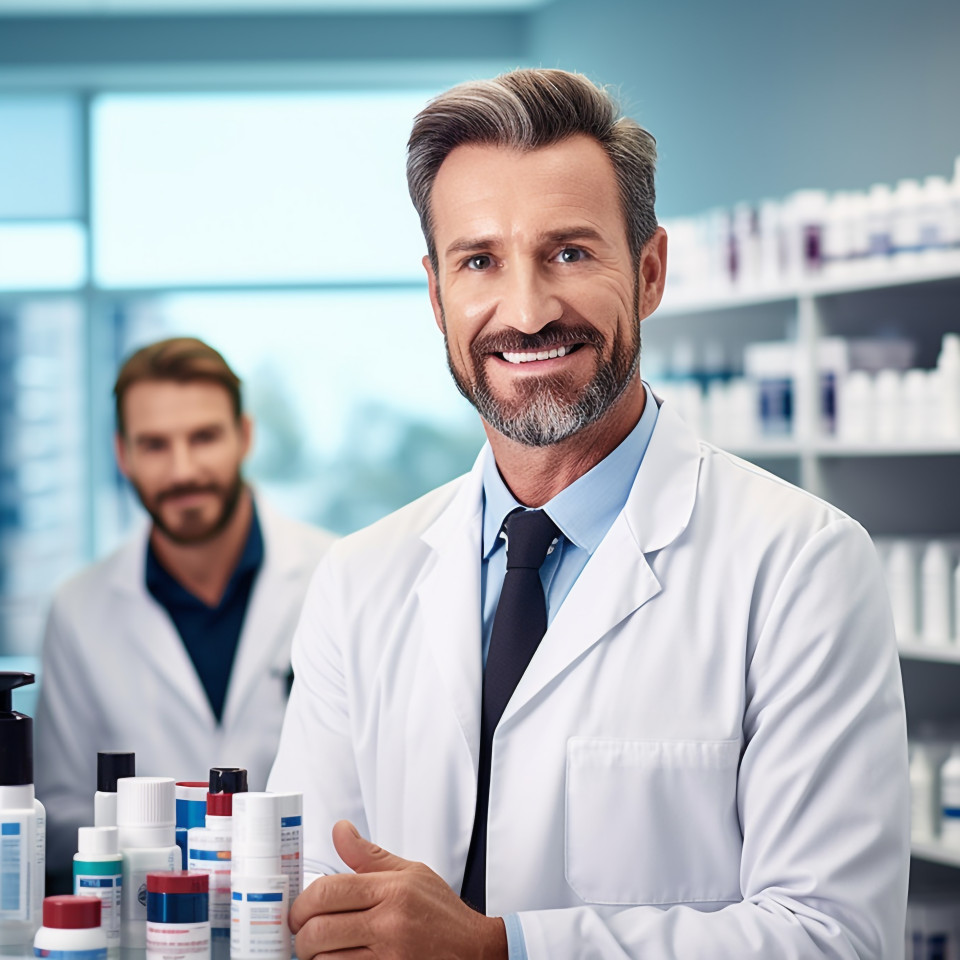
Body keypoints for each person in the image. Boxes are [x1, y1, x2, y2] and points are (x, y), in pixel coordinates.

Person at [267, 69, 909, 959]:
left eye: (569, 252)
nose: (526, 312)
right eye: (480, 261)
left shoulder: (801, 564)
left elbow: (836, 936)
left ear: (648, 273)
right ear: (436, 293)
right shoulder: (360, 579)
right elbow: (310, 901)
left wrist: (503, 948)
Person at [36, 337, 334, 878]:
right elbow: (59, 815)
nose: (183, 471)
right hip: (145, 928)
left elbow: (371, 789)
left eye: (203, 437)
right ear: (122, 455)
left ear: (244, 437)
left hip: (302, 923)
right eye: (154, 444)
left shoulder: (336, 577)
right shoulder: (78, 610)